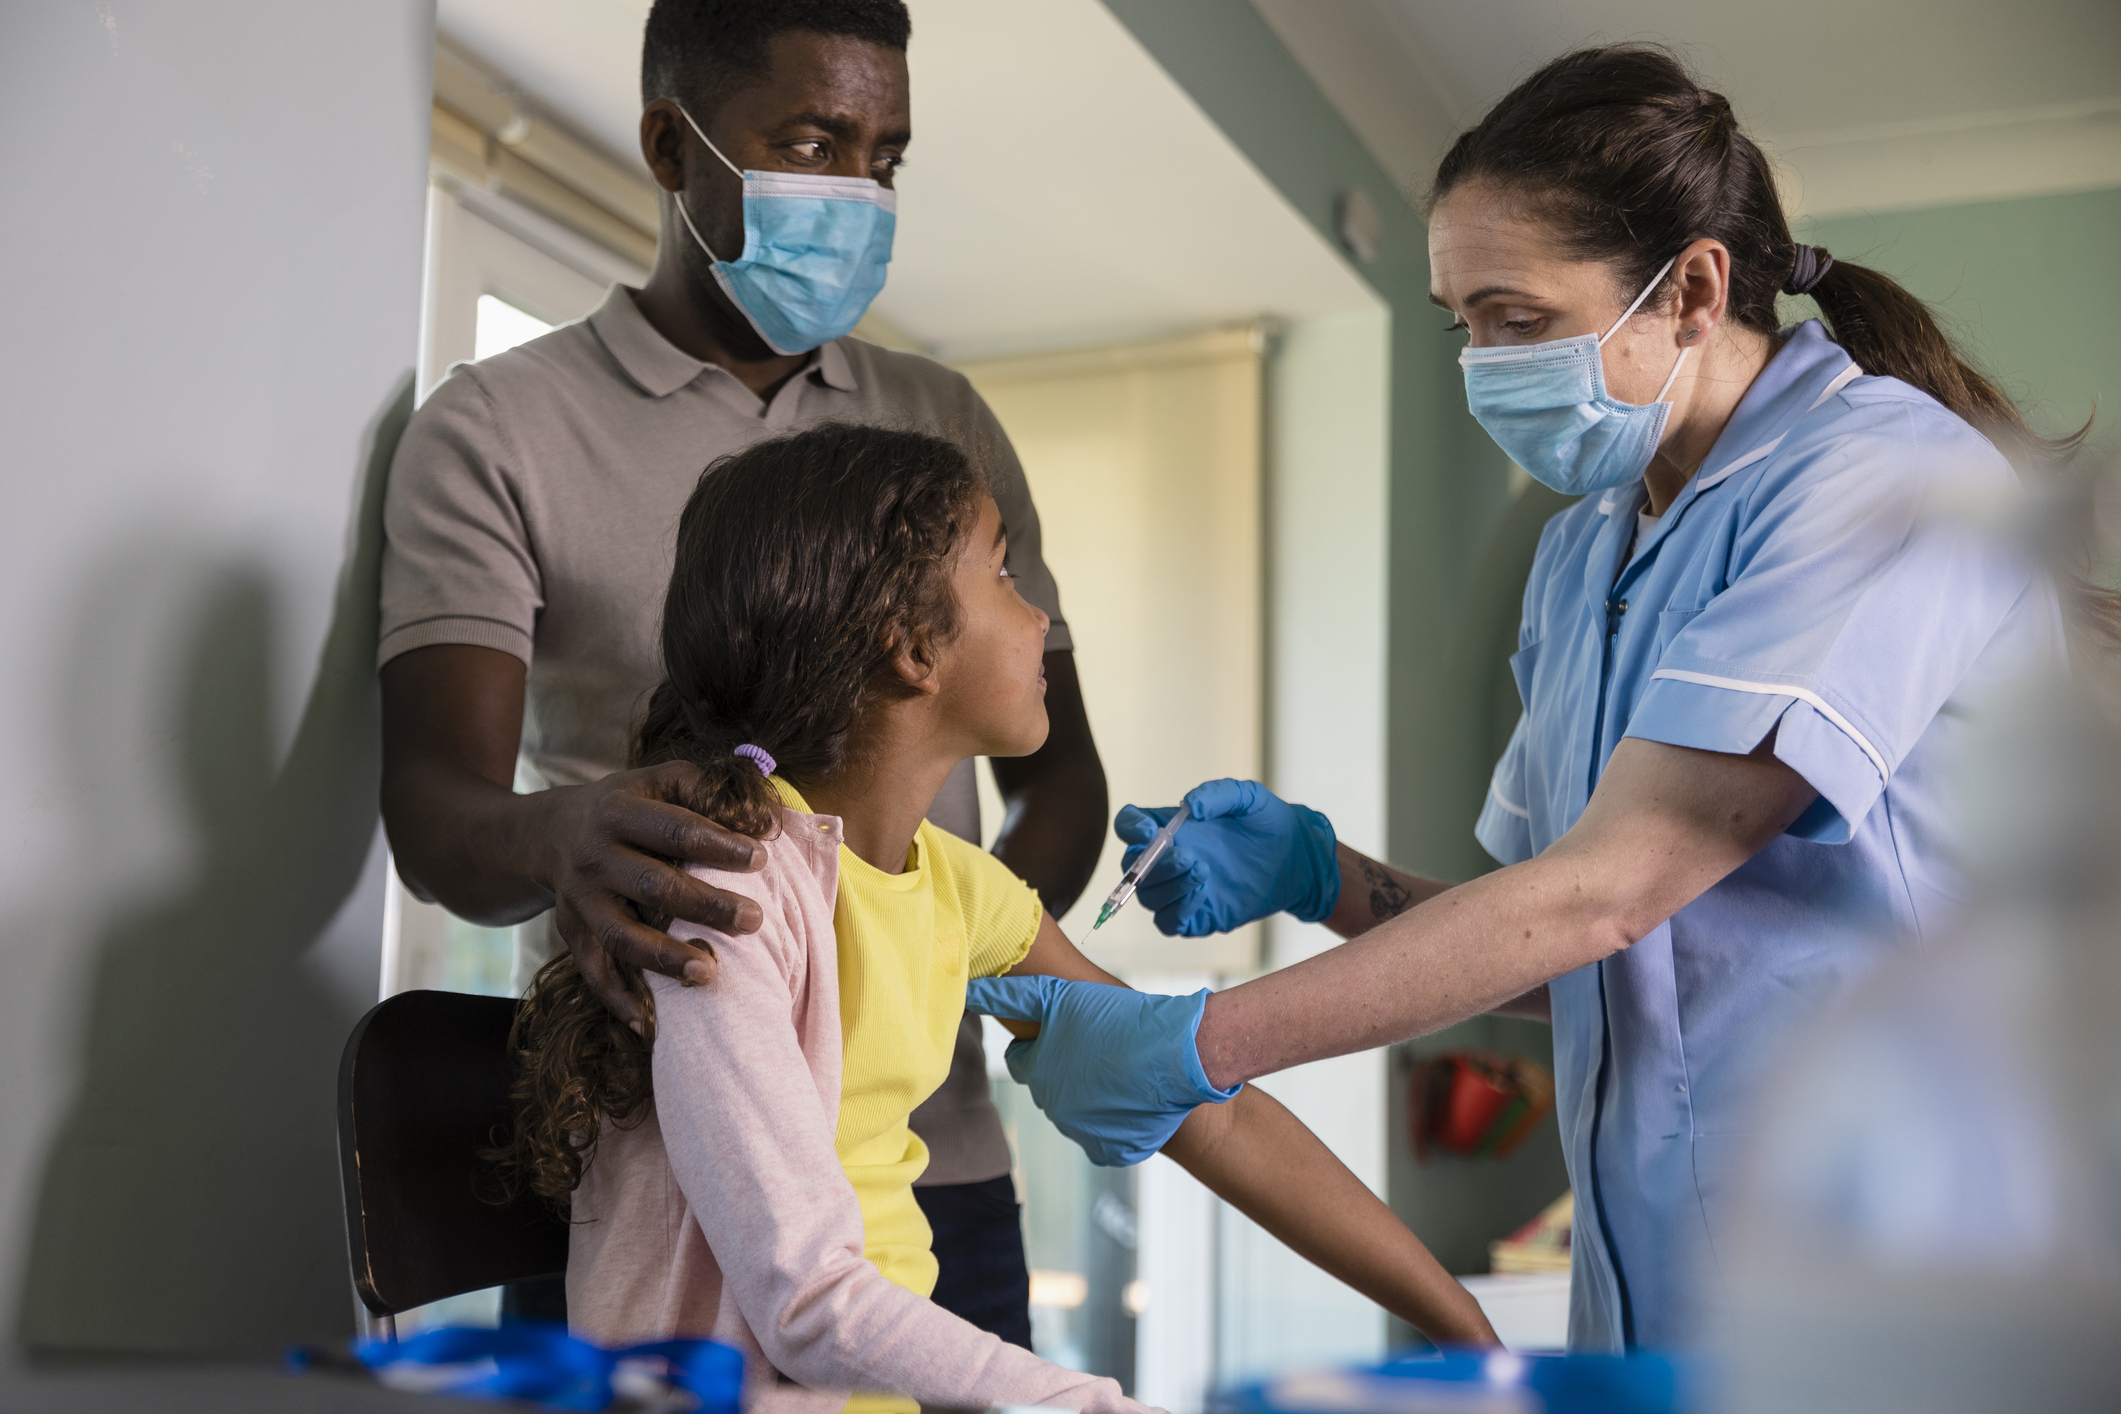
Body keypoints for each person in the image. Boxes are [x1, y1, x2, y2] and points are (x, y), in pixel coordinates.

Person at [968, 45, 2080, 1353]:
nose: (1482, 361)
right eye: (1462, 324)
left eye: (1518, 319)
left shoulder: (1873, 484)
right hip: (1660, 1291)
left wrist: (1200, 1039)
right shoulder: (1585, 548)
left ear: (1693, 288)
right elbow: (1575, 952)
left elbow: (1607, 891)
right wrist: (1317, 873)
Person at [489, 424, 1498, 1410]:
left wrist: (1460, 1327)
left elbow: (1203, 1105)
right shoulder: (731, 898)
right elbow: (807, 1302)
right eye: (1007, 576)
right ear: (913, 646)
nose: (1040, 619)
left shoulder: (956, 889)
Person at [378, 0, 1102, 1338]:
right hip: (646, 1172)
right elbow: (437, 815)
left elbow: (1059, 784)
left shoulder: (938, 421)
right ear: (671, 143)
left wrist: (947, 951)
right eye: (816, 144)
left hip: (935, 1160)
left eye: (882, 159)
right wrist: (561, 832)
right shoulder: (498, 429)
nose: (859, 192)